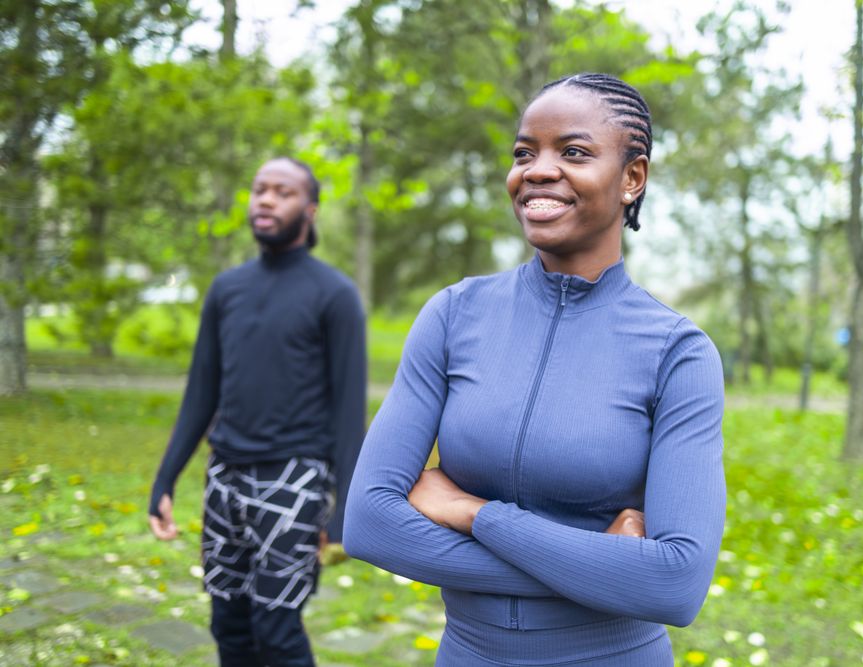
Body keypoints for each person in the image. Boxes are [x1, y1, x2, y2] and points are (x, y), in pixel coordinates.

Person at [343, 73, 725, 665]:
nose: (537, 170)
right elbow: (370, 523)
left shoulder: (678, 352)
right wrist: (600, 565)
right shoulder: (453, 315)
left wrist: (476, 515)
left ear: (632, 178)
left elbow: (674, 585)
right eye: (525, 153)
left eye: (573, 152)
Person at [148, 157, 367, 667]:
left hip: (294, 482)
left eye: (282, 192)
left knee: (277, 628)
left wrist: (343, 511)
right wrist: (165, 480)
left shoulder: (334, 295)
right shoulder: (227, 290)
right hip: (224, 479)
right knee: (228, 622)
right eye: (259, 189)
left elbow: (348, 411)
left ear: (310, 209)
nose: (266, 199)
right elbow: (200, 394)